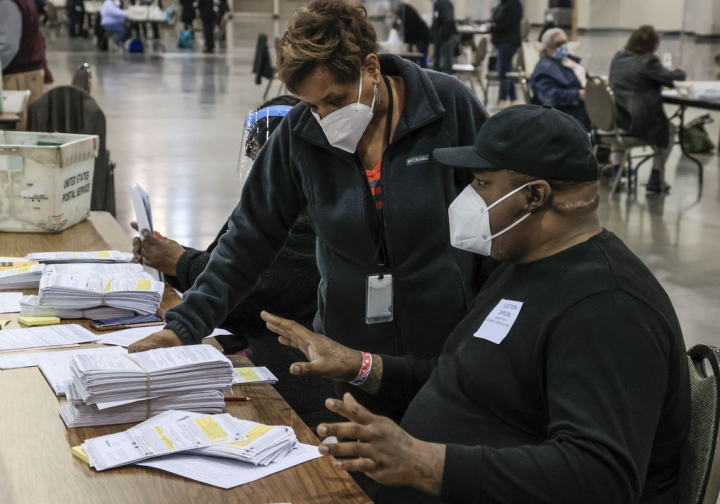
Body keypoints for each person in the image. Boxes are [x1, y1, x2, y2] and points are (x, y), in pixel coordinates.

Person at [261, 105, 690, 504]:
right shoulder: (523, 264)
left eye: (482, 183)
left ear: (534, 196)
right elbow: (465, 377)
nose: (467, 197)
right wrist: (359, 364)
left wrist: (426, 462)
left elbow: (602, 477)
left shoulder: (608, 308)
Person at [128, 0, 492, 424]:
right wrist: (184, 325)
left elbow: (499, 216)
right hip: (346, 358)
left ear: (371, 68)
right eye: (313, 105)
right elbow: (248, 238)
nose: (325, 117)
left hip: (444, 352)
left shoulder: (445, 107)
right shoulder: (300, 134)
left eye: (336, 100)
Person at [132, 96, 337, 428]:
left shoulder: (316, 216)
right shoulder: (267, 202)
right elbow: (225, 261)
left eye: (263, 154)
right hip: (251, 338)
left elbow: (258, 292)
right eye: (255, 154)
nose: (259, 165)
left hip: (289, 357)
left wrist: (180, 262)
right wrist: (173, 257)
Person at [609, 25, 686, 194]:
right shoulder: (648, 61)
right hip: (639, 123)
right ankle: (655, 177)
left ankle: (616, 173)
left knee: (618, 134)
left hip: (617, 119)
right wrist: (680, 71)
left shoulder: (618, 57)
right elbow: (673, 78)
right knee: (669, 130)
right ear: (653, 44)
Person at [0, 0, 53, 130]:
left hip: (18, 77)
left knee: (17, 134)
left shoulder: (6, 3)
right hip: (24, 73)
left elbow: (7, 47)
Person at [531, 28, 591, 131]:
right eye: (558, 44)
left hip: (582, 109)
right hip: (566, 115)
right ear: (548, 46)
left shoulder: (568, 61)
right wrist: (578, 95)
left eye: (564, 43)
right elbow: (549, 97)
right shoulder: (545, 68)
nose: (563, 47)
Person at [487, 0, 522, 109]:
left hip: (508, 42)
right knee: (507, 71)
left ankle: (502, 99)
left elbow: (509, 24)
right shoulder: (502, 4)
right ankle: (513, 99)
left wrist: (493, 26)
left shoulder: (514, 4)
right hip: (501, 42)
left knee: (503, 72)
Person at [429, 0, 457, 75]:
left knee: (445, 66)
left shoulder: (443, 3)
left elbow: (448, 22)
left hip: (446, 39)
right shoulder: (438, 4)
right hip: (441, 39)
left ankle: (446, 86)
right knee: (438, 66)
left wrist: (440, 35)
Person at [398, 2, 429, 68]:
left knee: (420, 59)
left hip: (420, 37)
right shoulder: (404, 9)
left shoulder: (404, 11)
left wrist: (412, 44)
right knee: (415, 59)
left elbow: (410, 28)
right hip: (417, 37)